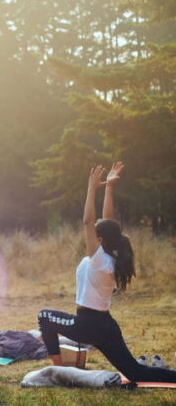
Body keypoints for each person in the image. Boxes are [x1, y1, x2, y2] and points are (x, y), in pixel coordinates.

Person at [38, 162, 176, 382]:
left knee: (43, 316)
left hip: (87, 325)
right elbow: (108, 219)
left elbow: (87, 221)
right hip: (106, 326)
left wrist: (92, 189)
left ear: (100, 239)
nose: (92, 233)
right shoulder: (112, 254)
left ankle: (60, 372)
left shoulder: (100, 259)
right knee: (136, 373)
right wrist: (109, 187)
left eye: (95, 233)